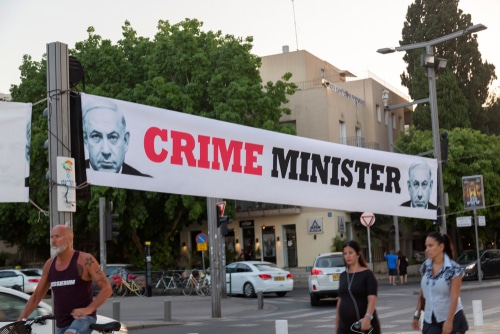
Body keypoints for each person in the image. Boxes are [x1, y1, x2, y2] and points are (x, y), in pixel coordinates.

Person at [19, 225, 112, 334]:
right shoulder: (49, 265)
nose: (53, 240)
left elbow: (107, 288)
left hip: (84, 319)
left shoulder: (84, 260)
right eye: (51, 237)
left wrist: (89, 309)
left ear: (69, 239)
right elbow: (36, 297)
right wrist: (21, 320)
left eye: (57, 236)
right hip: (61, 323)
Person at [411, 232, 468, 334]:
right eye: (426, 246)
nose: (427, 249)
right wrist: (416, 315)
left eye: (430, 246)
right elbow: (422, 292)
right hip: (430, 319)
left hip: (452, 317)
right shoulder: (425, 266)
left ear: (441, 247)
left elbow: (455, 296)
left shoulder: (454, 268)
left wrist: (449, 321)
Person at [82, 99, 151, 177]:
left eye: (113, 137)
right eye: (96, 136)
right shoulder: (72, 174)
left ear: (126, 141)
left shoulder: (142, 180)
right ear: (85, 140)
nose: (106, 151)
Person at [336, 240, 380, 334]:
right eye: (345, 253)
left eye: (351, 252)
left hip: (362, 326)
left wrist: (367, 317)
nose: (347, 256)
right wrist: (337, 325)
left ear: (358, 254)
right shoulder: (343, 275)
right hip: (344, 327)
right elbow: (340, 301)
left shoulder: (367, 274)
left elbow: (372, 299)